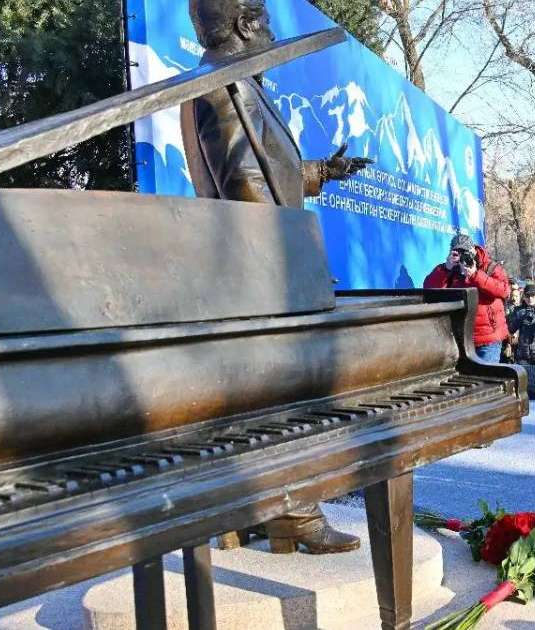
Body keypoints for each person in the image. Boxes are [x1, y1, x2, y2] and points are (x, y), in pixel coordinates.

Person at [182, 0, 374, 556]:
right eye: (263, 17)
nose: (271, 29)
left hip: (263, 271)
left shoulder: (241, 85)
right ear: (244, 24)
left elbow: (266, 170)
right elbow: (243, 183)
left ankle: (250, 517)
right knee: (290, 403)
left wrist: (320, 172)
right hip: (265, 278)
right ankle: (297, 517)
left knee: (263, 405)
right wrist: (287, 268)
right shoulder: (223, 89)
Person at [424, 234, 511, 363]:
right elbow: (429, 288)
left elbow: (504, 291)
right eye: (457, 252)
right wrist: (446, 268)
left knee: (486, 379)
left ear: (473, 250)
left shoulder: (490, 267)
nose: (462, 256)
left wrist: (476, 275)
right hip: (461, 338)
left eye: (465, 252)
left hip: (488, 338)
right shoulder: (450, 269)